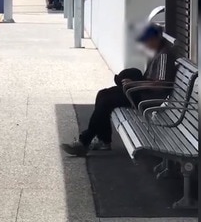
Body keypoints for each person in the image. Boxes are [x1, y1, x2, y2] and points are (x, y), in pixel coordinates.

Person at [60, 23, 177, 157]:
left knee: (106, 101)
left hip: (147, 98)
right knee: (103, 94)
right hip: (141, 91)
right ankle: (102, 141)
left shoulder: (163, 56)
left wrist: (135, 83)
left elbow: (161, 84)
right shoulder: (156, 52)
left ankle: (85, 142)